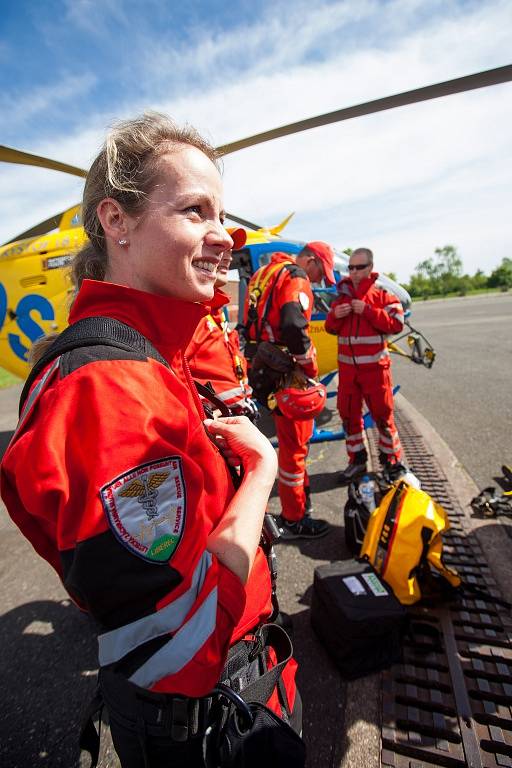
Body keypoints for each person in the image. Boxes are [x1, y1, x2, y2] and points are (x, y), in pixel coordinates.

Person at [1, 113, 302, 767]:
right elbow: (176, 638)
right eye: (195, 210)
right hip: (197, 708)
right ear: (117, 221)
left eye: (220, 213)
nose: (222, 236)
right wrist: (261, 472)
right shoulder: (111, 390)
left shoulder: (150, 352)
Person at [242, 242, 336, 540]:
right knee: (295, 447)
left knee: (287, 440)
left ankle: (297, 504)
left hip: (262, 368)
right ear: (310, 259)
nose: (320, 280)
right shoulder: (295, 276)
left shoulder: (262, 274)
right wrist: (308, 370)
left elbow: (249, 323)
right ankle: (295, 517)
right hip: (285, 371)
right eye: (321, 271)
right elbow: (295, 325)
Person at [324, 247, 405, 484]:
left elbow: (396, 324)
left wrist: (368, 311)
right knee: (349, 416)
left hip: (376, 371)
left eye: (359, 267)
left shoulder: (383, 295)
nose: (354, 272)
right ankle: (357, 460)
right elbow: (330, 327)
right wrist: (336, 315)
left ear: (370, 268)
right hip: (348, 372)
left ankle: (392, 462)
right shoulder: (342, 296)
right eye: (351, 267)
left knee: (383, 416)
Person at [186, 227, 258, 419]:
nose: (227, 257)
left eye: (230, 251)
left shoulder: (215, 309)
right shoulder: (190, 312)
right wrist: (204, 418)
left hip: (236, 417)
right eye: (219, 249)